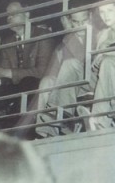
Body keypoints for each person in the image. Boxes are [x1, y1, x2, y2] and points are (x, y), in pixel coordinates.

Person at [35, 7, 92, 136]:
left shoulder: (97, 35)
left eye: (84, 20)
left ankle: (61, 114)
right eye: (76, 22)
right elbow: (54, 73)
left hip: (92, 80)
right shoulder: (63, 44)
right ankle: (45, 131)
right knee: (46, 81)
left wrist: (69, 34)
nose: (80, 25)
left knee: (69, 63)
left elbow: (86, 63)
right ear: (70, 21)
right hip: (69, 86)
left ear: (91, 18)